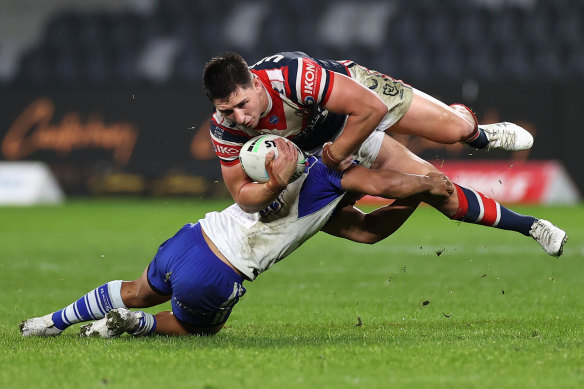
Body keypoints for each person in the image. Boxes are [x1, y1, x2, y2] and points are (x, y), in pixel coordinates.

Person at [20, 137, 566, 338]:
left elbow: (365, 229)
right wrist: (419, 188)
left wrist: (409, 195)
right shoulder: (333, 176)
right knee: (192, 329)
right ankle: (131, 328)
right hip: (221, 271)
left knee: (140, 286)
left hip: (191, 238)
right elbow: (375, 206)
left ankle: (50, 322)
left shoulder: (288, 169)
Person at [202, 51, 565, 257]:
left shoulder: (293, 76)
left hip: (357, 102)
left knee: (456, 132)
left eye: (242, 104)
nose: (240, 117)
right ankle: (533, 227)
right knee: (439, 192)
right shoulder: (225, 127)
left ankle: (477, 131)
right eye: (227, 110)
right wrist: (273, 185)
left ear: (254, 80)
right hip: (320, 150)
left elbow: (370, 110)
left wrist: (336, 153)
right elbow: (242, 197)